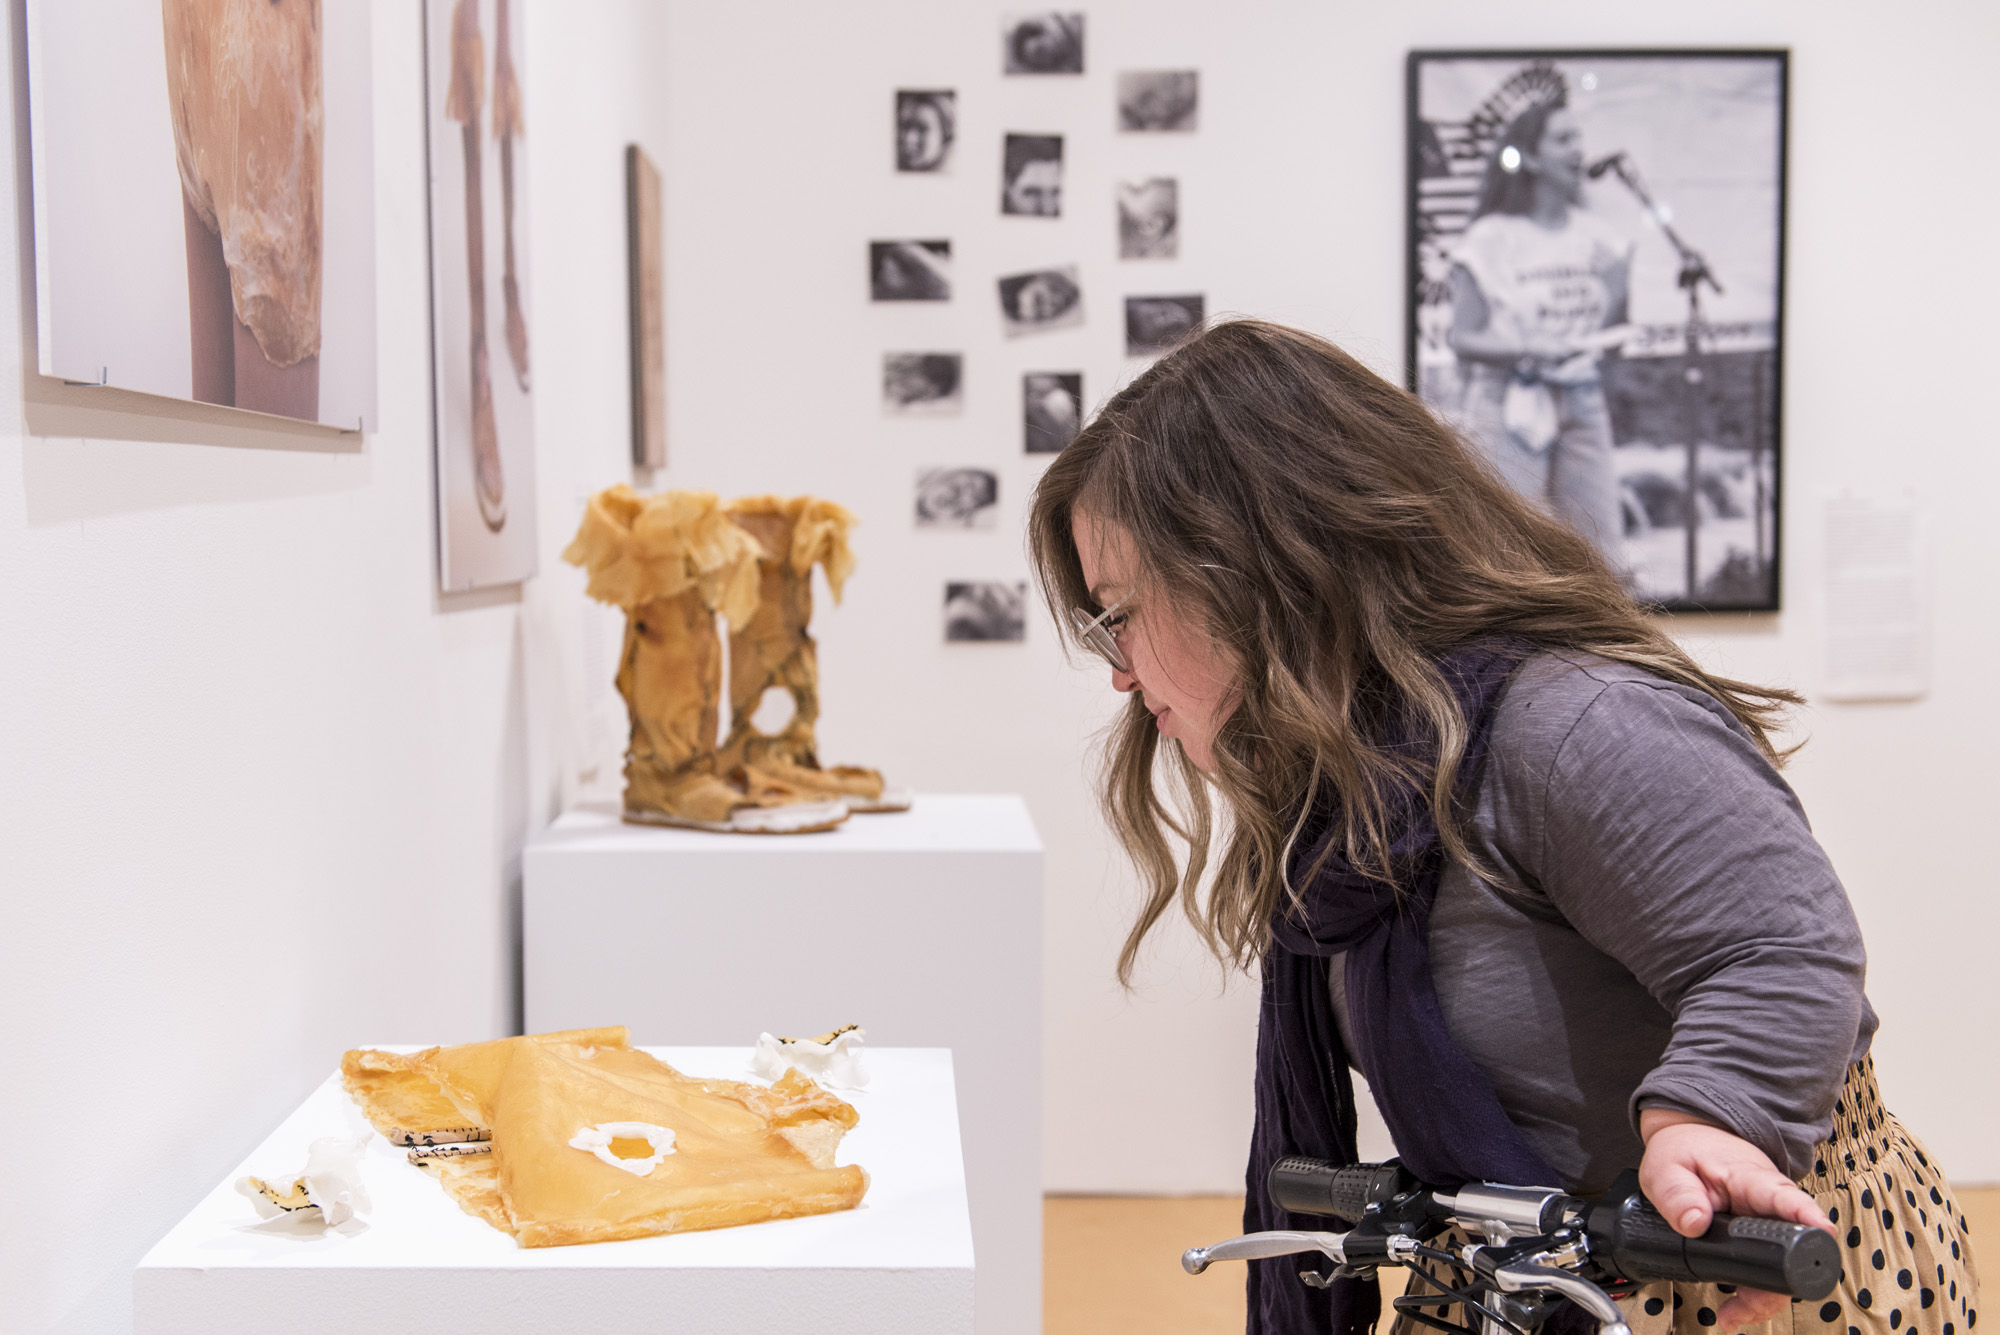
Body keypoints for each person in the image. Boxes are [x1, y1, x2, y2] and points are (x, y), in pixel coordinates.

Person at [1027, 319, 1979, 1335]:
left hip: (1724, 1269)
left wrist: (1709, 1115)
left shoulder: (1570, 724)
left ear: (1260, 572)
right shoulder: (1358, 779)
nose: (1118, 670)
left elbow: (1778, 947)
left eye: (1116, 613)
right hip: (1518, 1270)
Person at [1448, 95, 1631, 571]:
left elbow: (1611, 335)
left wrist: (1616, 290)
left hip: (1582, 398)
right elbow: (1462, 338)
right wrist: (1528, 348)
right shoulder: (1491, 237)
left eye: (1579, 138)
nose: (1577, 149)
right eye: (1563, 138)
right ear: (1530, 157)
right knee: (1506, 557)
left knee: (1601, 557)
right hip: (1508, 402)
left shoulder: (1599, 235)